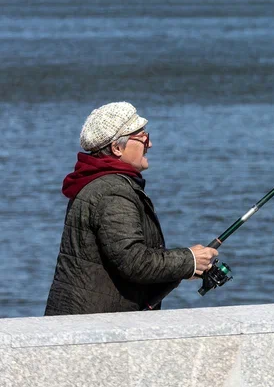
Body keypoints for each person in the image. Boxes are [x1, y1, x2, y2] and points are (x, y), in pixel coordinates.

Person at [45, 102, 219, 315]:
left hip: (86, 316)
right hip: (94, 325)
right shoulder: (112, 192)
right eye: (143, 137)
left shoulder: (97, 183)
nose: (150, 144)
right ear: (117, 148)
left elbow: (120, 260)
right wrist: (188, 260)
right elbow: (133, 261)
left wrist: (183, 269)